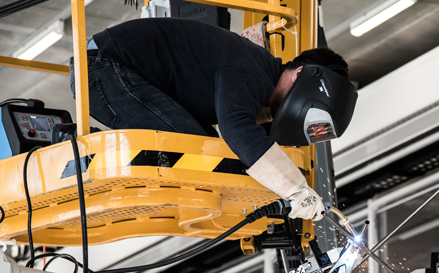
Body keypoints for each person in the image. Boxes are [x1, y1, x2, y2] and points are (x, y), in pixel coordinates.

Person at [70, 18, 352, 221]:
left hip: (111, 68)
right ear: (299, 74)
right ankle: (79, 152)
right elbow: (236, 129)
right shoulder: (253, 73)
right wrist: (295, 189)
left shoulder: (258, 79)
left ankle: (87, 149)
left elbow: (243, 134)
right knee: (194, 148)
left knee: (205, 150)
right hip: (103, 65)